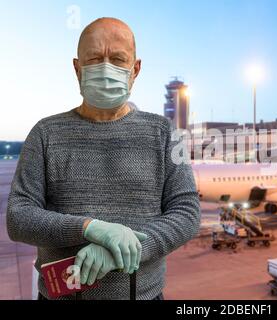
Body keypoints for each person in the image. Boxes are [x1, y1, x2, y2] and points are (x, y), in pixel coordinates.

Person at [6, 17, 201, 300]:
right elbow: (19, 217)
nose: (106, 68)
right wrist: (89, 229)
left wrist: (121, 251)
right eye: (95, 58)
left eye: (118, 59)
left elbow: (186, 213)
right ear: (77, 68)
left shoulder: (165, 133)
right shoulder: (45, 133)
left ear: (135, 70)